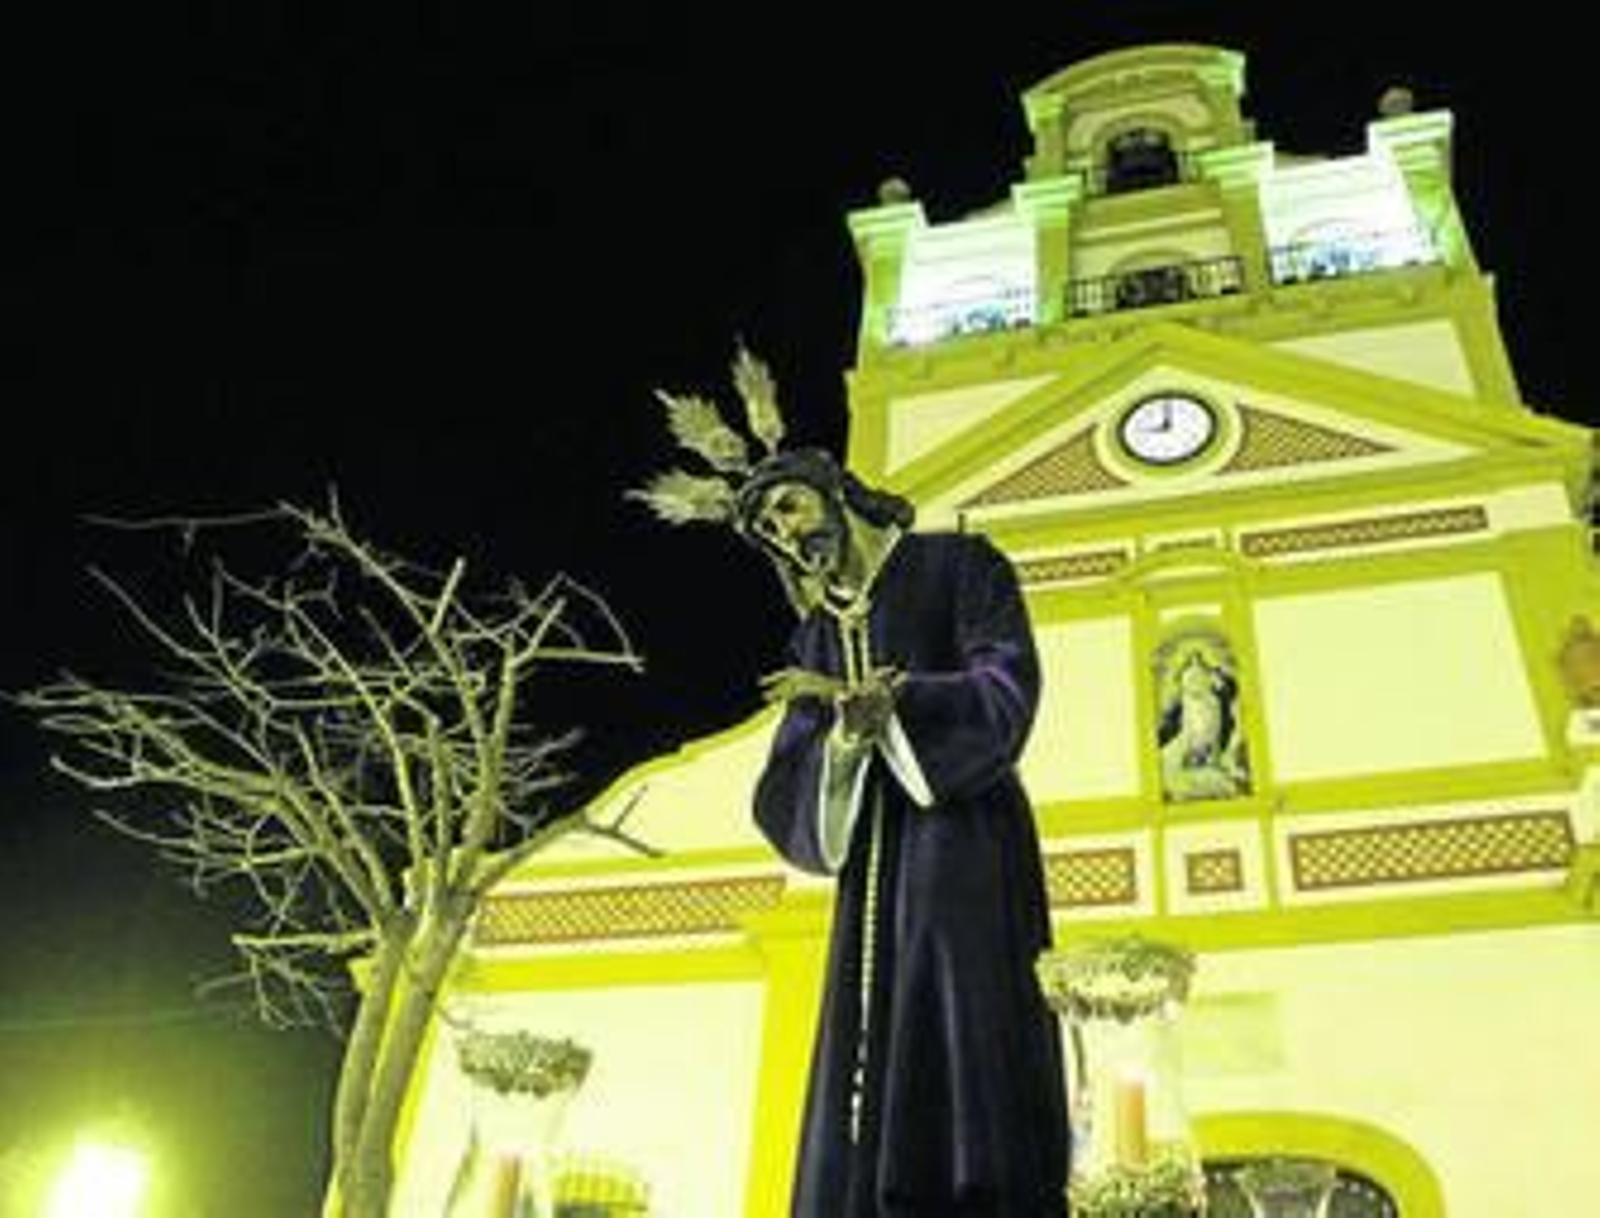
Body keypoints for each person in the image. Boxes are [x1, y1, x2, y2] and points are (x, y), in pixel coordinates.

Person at [632, 354, 1069, 1217]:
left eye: (788, 506)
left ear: (831, 488)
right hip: (875, 863)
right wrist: (840, 738)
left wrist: (897, 706)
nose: (787, 534)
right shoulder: (816, 641)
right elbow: (785, 789)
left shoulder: (961, 565)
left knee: (958, 1000)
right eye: (767, 531)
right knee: (865, 1039)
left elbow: (1007, 683)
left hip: (964, 837)